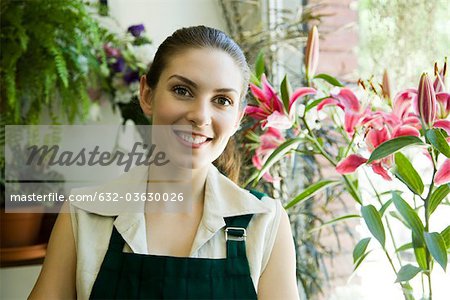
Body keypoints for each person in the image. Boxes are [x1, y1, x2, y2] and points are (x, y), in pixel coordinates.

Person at [29, 25, 298, 299]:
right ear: (147, 95)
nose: (201, 116)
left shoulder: (265, 222)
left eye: (222, 100)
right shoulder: (82, 215)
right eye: (182, 90)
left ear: (239, 118)